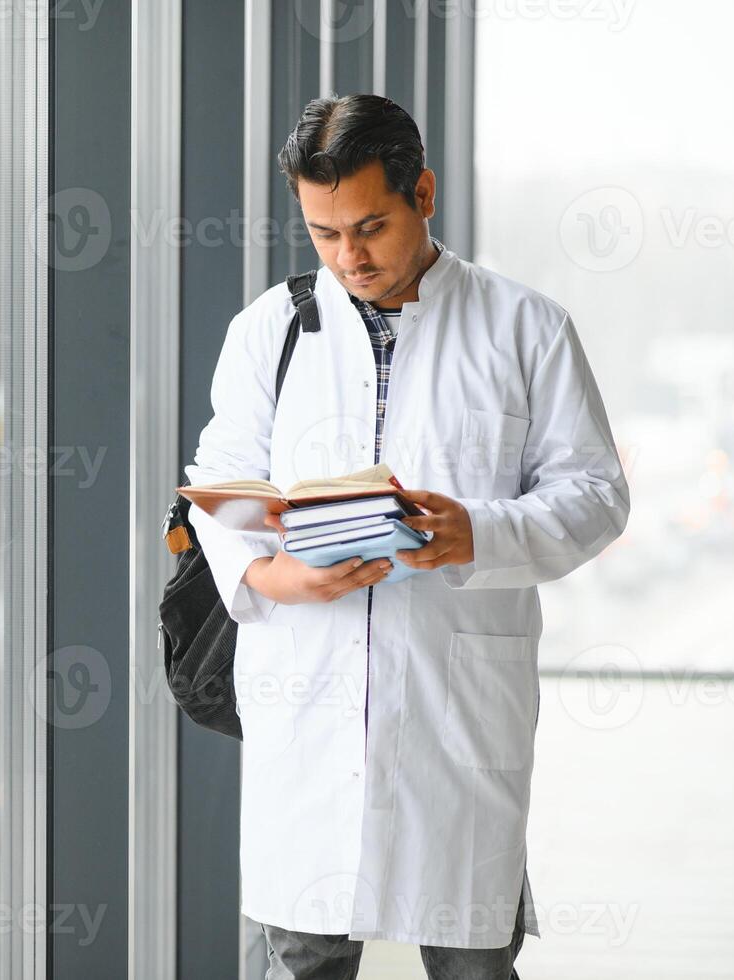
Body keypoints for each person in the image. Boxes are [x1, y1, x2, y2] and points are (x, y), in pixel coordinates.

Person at [185, 94, 631, 979]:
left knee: (469, 956)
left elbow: (596, 495)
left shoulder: (523, 327)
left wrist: (480, 533)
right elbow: (219, 482)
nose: (349, 256)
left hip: (453, 700)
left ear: (422, 192)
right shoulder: (268, 329)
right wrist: (272, 577)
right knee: (301, 954)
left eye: (370, 226)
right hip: (307, 685)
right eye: (323, 234)